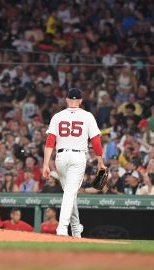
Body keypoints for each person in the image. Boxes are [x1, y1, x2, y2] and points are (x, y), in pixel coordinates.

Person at [42, 88, 106, 237]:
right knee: (70, 193)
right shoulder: (87, 116)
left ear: (66, 99)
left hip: (61, 158)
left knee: (69, 194)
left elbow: (50, 141)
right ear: (81, 101)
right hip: (78, 157)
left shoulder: (57, 116)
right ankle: (62, 228)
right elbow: (96, 141)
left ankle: (76, 228)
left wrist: (46, 164)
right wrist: (100, 162)